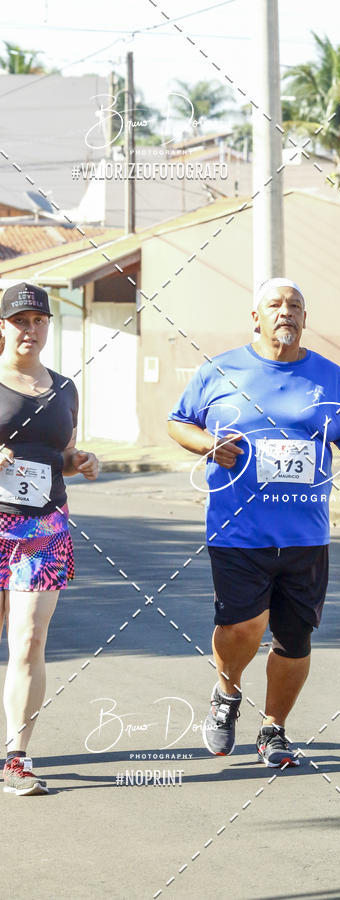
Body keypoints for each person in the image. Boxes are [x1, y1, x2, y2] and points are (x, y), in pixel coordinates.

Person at [167, 277, 340, 768]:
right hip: (237, 529)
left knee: (294, 638)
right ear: (256, 317)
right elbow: (178, 421)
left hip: (306, 533)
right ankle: (227, 692)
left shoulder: (330, 378)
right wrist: (208, 445)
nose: (285, 311)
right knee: (241, 626)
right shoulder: (220, 370)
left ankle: (274, 729)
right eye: (274, 304)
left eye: (295, 305)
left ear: (305, 319)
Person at [0, 282, 99, 796]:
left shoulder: (64, 389)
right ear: (3, 326)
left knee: (29, 640)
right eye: (20, 320)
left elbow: (61, 454)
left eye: (39, 320)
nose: (30, 329)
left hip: (44, 528)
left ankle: (17, 757)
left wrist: (81, 460)